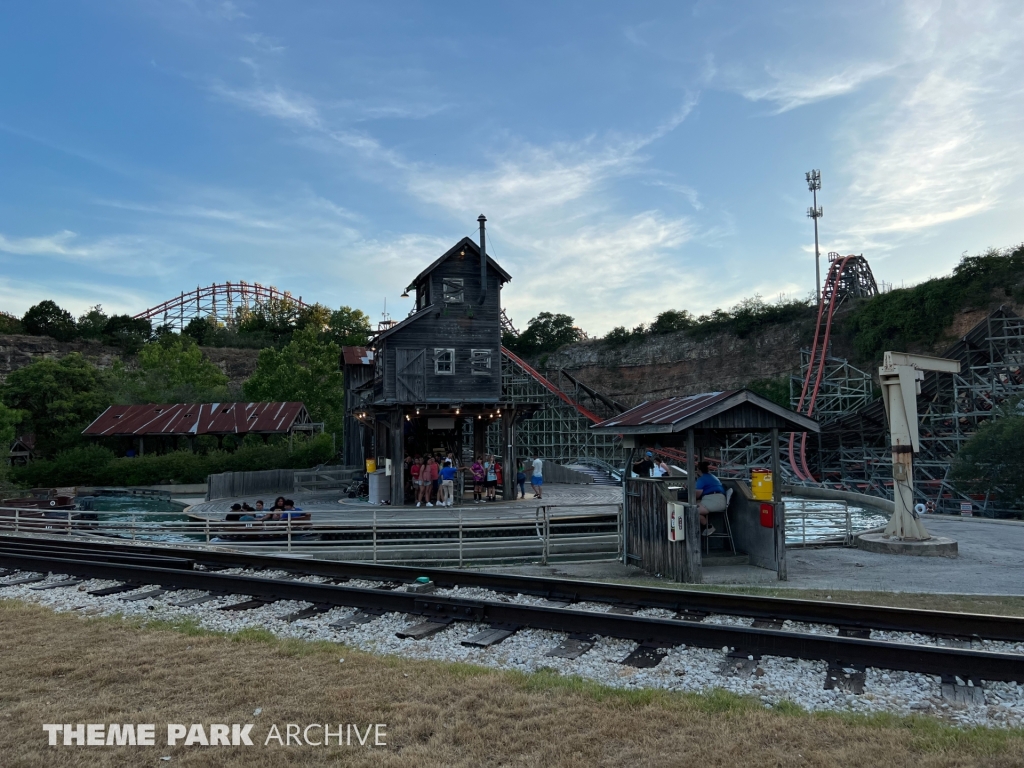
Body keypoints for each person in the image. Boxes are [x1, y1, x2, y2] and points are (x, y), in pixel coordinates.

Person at [694, 460, 726, 536]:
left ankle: (708, 527)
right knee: (695, 510)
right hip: (721, 500)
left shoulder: (701, 479)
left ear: (698, 470)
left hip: (713, 501)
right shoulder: (713, 477)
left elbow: (696, 495)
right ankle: (707, 526)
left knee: (692, 510)